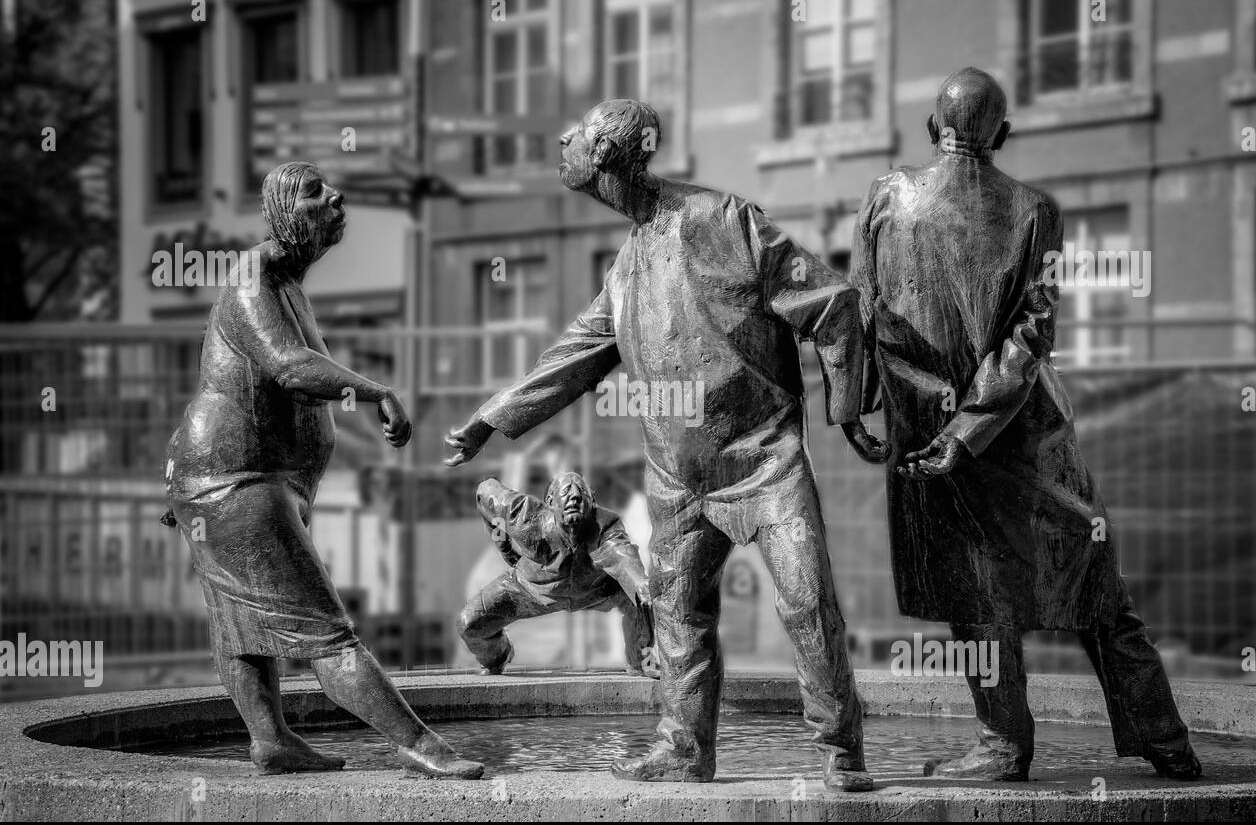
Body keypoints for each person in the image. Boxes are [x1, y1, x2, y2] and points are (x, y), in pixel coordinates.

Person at [445, 100, 890, 790]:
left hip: (764, 459)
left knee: (807, 601)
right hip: (679, 480)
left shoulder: (721, 219)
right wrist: (491, 419)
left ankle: (841, 750)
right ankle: (684, 748)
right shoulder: (622, 272)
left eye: (579, 134)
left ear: (611, 154)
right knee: (678, 619)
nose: (563, 138)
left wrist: (851, 407)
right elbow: (571, 357)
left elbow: (830, 302)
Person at [850, 68, 1201, 781]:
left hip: (924, 432)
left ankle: (1004, 742)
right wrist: (972, 426)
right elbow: (1032, 334)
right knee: (1093, 579)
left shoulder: (886, 198)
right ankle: (1166, 741)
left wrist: (857, 407)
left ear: (931, 129)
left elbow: (864, 312)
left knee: (976, 592)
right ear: (1002, 135)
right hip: (1020, 431)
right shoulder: (1036, 208)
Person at [164, 161, 483, 780]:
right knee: (325, 631)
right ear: (285, 210)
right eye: (314, 192)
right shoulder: (254, 276)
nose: (335, 196)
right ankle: (422, 747)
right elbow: (289, 367)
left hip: (233, 481)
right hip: (233, 483)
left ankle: (272, 741)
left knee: (242, 626)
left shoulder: (287, 283)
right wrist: (375, 391)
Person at [458, 471, 659, 677]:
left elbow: (621, 554)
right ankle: (498, 655)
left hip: (596, 590)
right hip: (530, 588)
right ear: (550, 501)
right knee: (469, 624)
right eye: (566, 491)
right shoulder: (525, 516)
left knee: (639, 597)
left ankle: (643, 661)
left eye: (581, 491)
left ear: (593, 501)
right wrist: (502, 543)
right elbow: (485, 492)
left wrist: (639, 583)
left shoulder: (606, 524)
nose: (574, 496)